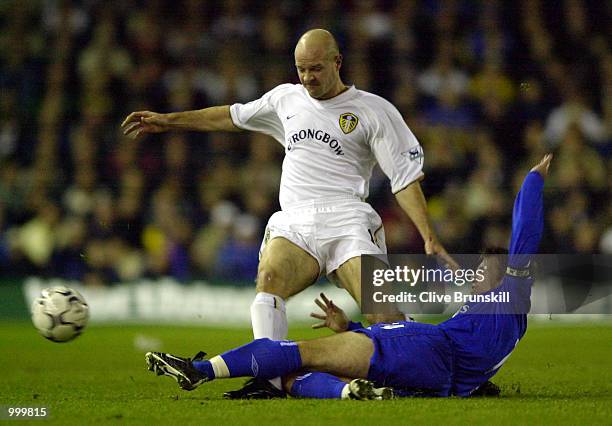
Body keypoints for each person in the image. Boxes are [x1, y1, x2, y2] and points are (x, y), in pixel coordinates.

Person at [123, 28, 455, 398]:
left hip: (348, 220)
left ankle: (435, 368)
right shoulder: (285, 100)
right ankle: (271, 381)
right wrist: (169, 121)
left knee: (384, 316)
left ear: (337, 62)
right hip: (296, 220)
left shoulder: (373, 110)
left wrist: (427, 234)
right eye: (301, 69)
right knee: (269, 277)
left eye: (315, 68)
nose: (308, 77)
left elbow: (404, 180)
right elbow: (231, 117)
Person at [144, 154, 553, 399]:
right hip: (439, 380)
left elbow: (526, 231)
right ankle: (345, 392)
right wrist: (353, 326)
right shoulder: (500, 318)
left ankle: (201, 371)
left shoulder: (512, 290)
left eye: (487, 267)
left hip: (425, 348)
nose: (478, 271)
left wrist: (533, 180)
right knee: (299, 375)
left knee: (301, 352)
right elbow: (459, 359)